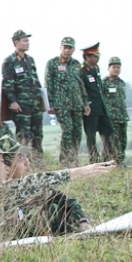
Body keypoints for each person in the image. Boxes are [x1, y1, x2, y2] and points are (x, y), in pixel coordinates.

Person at [0, 138, 114, 241]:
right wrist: (77, 172)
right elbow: (26, 185)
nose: (6, 167)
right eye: (2, 161)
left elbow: (56, 197)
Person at [44, 36, 89, 166]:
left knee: (77, 132)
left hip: (77, 104)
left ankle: (74, 159)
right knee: (67, 130)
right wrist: (50, 104)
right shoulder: (52, 63)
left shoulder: (76, 65)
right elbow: (48, 85)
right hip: (61, 105)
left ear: (73, 49)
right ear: (60, 48)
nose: (67, 50)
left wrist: (85, 103)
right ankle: (64, 161)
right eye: (65, 47)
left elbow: (81, 85)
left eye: (69, 48)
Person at [1, 30, 44, 155]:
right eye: (25, 41)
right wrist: (13, 101)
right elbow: (7, 83)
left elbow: (36, 81)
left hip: (35, 104)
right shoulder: (9, 61)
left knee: (38, 134)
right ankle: (21, 161)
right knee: (23, 136)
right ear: (16, 42)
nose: (27, 43)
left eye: (28, 41)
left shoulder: (30, 60)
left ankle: (38, 160)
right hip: (21, 105)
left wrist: (43, 101)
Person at [80, 43, 116, 163]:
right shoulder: (82, 70)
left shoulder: (96, 68)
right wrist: (85, 105)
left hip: (101, 108)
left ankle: (108, 160)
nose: (98, 58)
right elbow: (81, 89)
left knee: (109, 133)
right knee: (91, 137)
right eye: (95, 56)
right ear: (87, 57)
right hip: (90, 109)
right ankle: (94, 161)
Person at [104, 57, 128, 166]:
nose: (116, 69)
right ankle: (112, 163)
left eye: (118, 67)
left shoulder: (122, 83)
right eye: (114, 67)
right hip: (111, 118)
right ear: (108, 68)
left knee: (123, 142)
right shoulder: (103, 83)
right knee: (114, 143)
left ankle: (120, 162)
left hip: (122, 117)